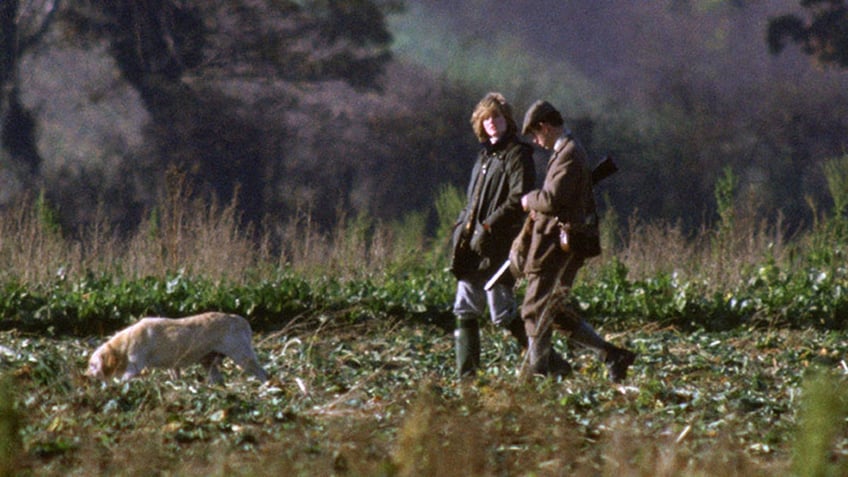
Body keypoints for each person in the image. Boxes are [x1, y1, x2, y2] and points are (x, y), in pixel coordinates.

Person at [518, 100, 636, 382]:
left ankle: (538, 374)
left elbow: (552, 199)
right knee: (550, 309)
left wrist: (528, 200)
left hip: (557, 248)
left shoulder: (569, 153)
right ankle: (610, 355)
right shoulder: (566, 152)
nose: (536, 141)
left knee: (536, 309)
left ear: (545, 127)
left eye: (536, 134)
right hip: (554, 246)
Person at [448, 92, 537, 378]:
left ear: (507, 120)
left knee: (502, 312)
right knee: (464, 308)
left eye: (496, 116)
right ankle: (467, 378)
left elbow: (519, 199)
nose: (491, 122)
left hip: (499, 245)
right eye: (485, 118)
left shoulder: (518, 154)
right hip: (471, 246)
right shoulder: (484, 157)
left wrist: (488, 227)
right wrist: (462, 228)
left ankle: (549, 363)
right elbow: (472, 201)